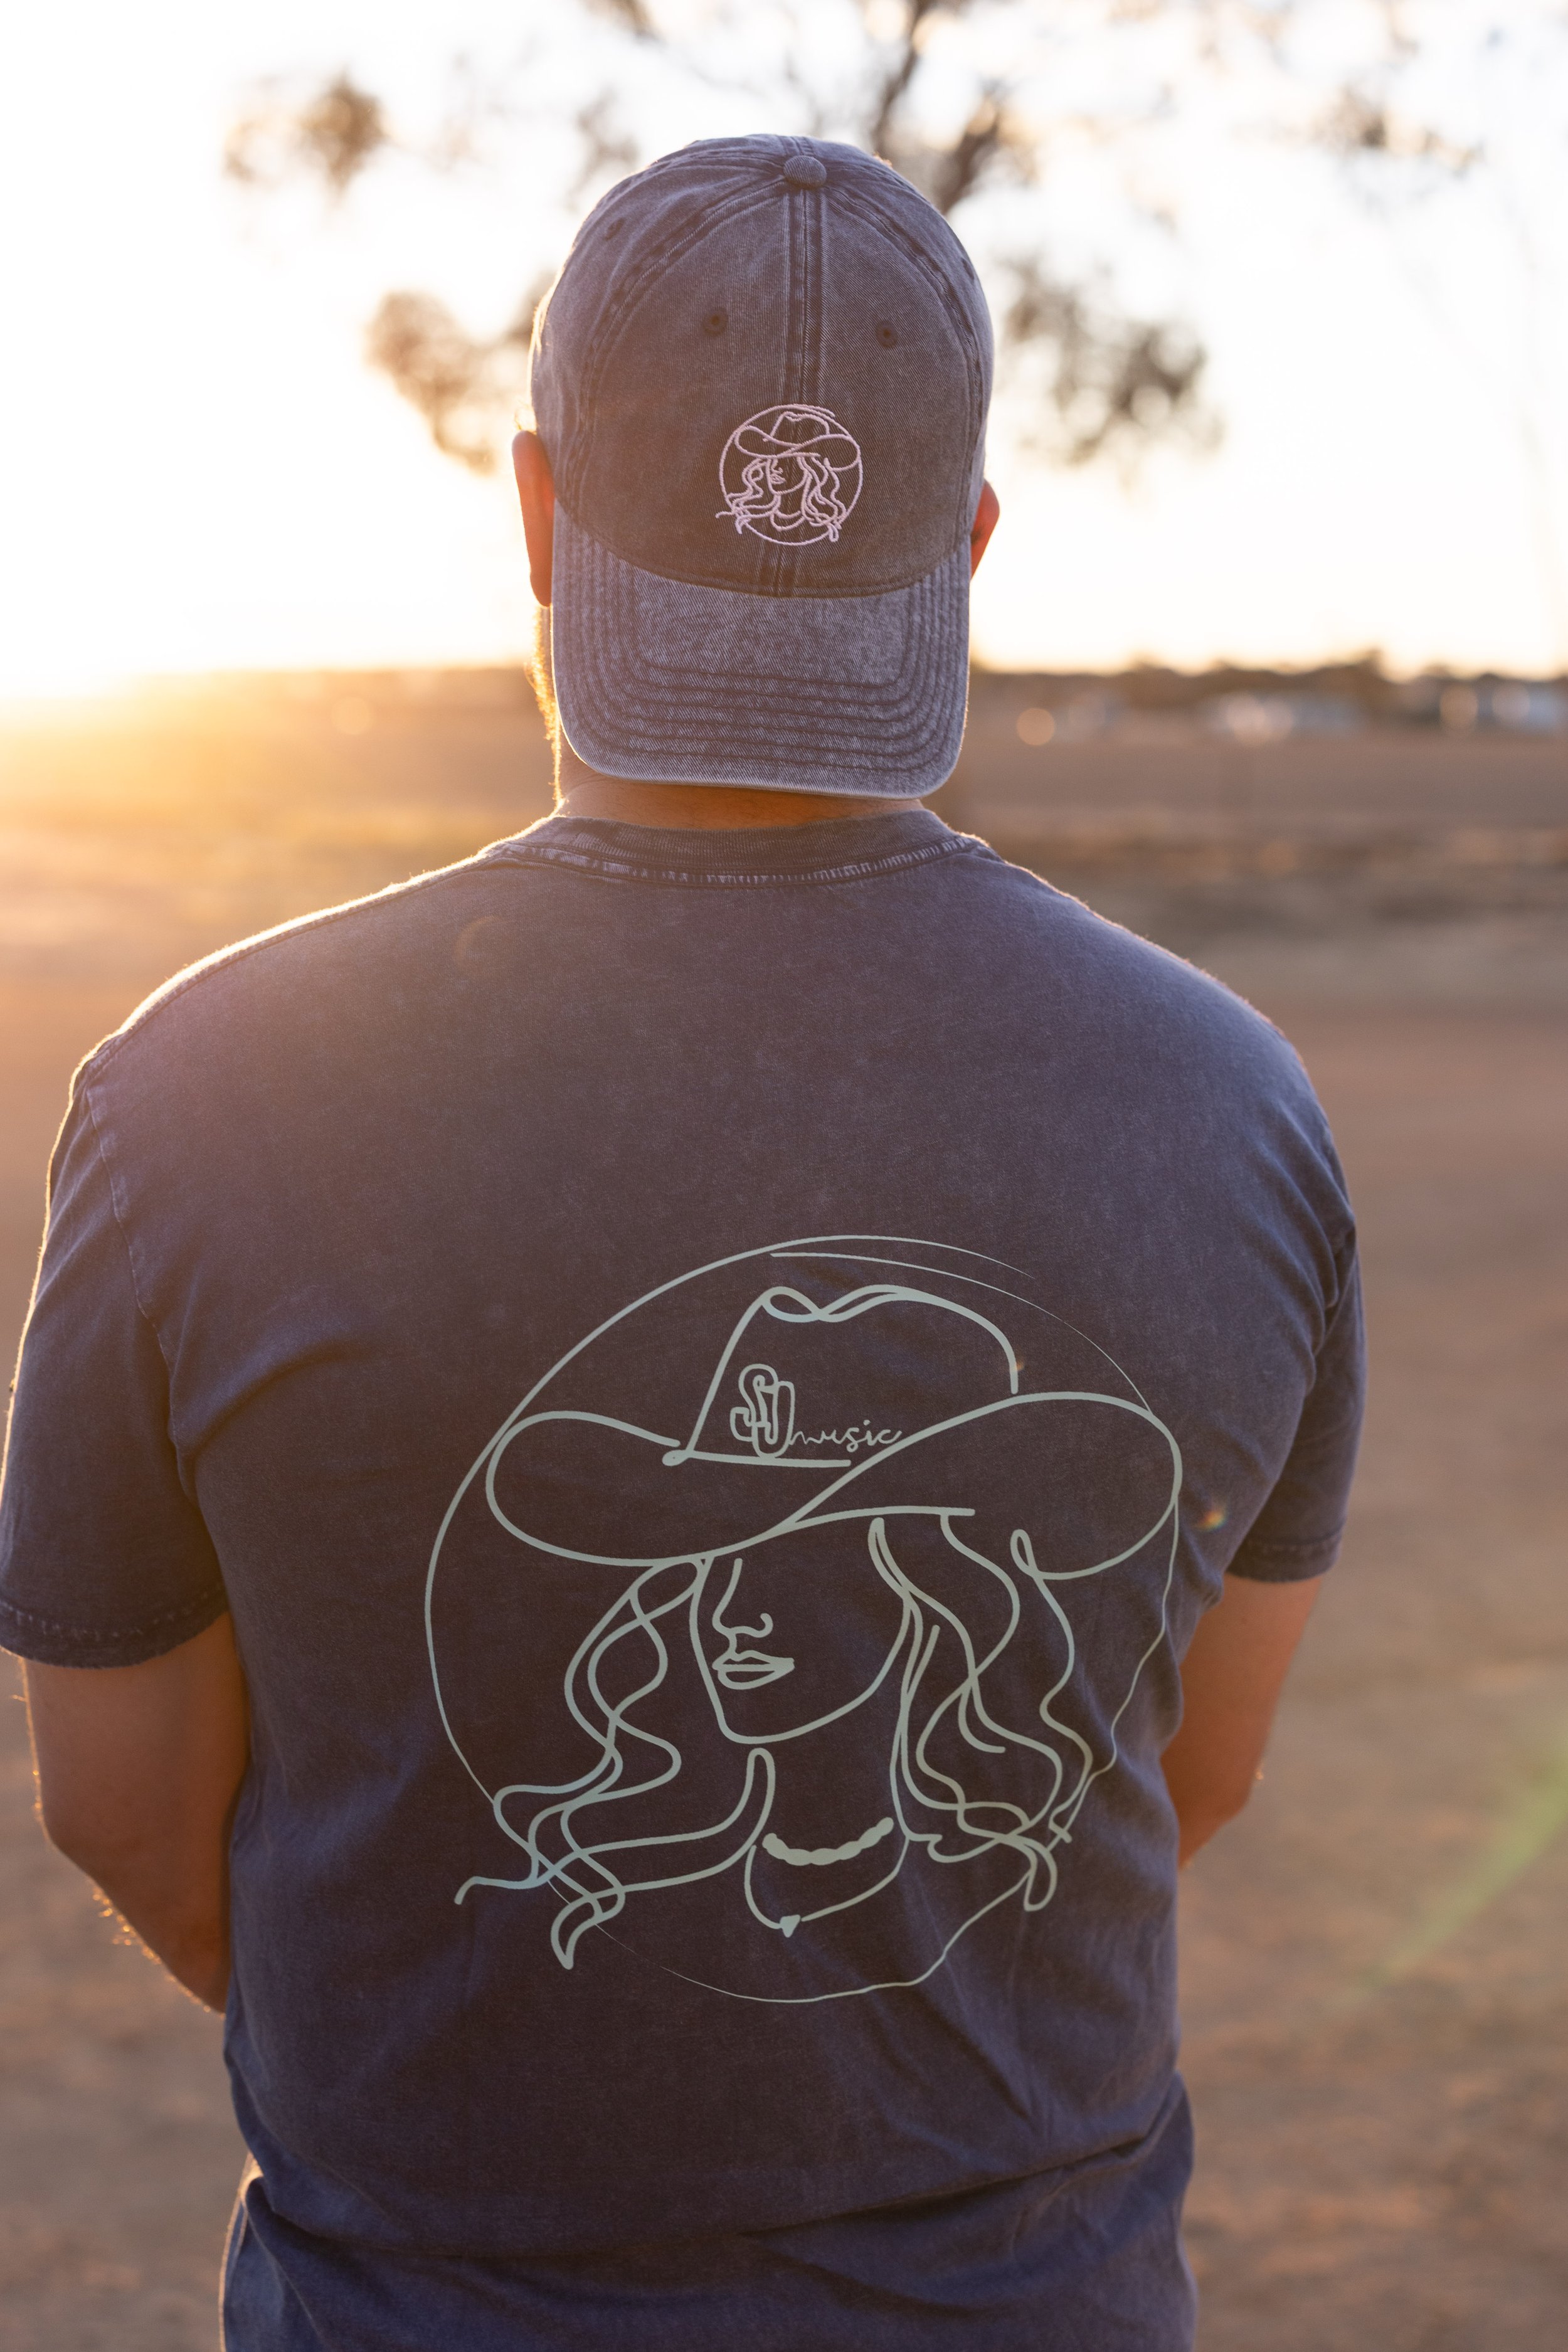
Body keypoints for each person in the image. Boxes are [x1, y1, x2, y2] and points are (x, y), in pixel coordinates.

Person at [0, 134, 1363, 2351]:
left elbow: (122, 1808)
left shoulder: (198, 1096)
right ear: (971, 545)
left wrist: (453, 2060)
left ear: (538, 518)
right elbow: (1186, 1765)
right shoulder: (1234, 1106)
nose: (735, 1602)